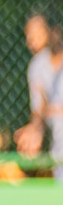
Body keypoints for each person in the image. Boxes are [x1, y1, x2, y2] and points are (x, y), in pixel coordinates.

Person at [16, 12, 63, 182]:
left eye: (36, 32)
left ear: (53, 30)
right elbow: (39, 110)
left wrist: (55, 110)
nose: (30, 39)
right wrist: (35, 130)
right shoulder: (37, 66)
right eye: (28, 34)